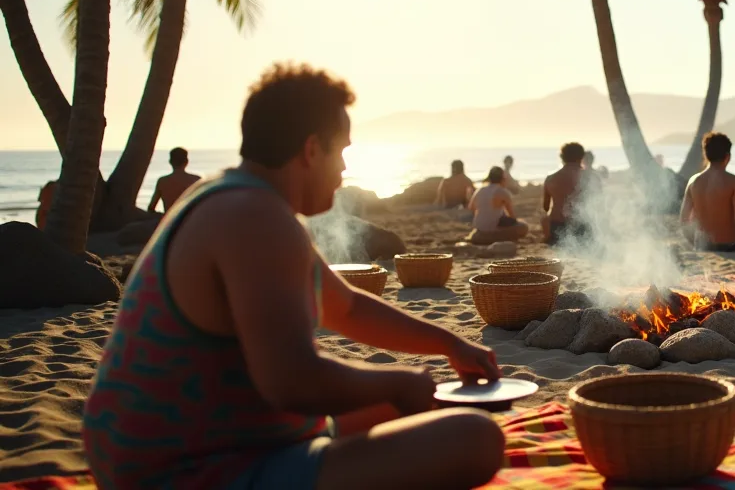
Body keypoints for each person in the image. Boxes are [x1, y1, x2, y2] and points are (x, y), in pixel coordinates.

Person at [81, 63, 505, 490]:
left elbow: (348, 307)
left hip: (205, 449)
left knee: (402, 409)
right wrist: (399, 382)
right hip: (189, 471)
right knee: (474, 437)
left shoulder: (231, 196)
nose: (344, 168)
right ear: (311, 149)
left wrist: (449, 344)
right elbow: (292, 382)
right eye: (342, 152)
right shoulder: (254, 217)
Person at [679, 133, 735, 252]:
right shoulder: (733, 181)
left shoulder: (693, 181)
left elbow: (683, 220)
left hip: (704, 245)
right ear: (728, 156)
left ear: (705, 155)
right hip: (730, 244)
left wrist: (694, 242)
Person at [542, 142, 597, 246]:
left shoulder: (550, 178)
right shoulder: (590, 177)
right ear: (582, 157)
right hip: (582, 226)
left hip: (557, 227)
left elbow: (545, 207)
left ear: (562, 157)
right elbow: (598, 203)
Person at [468, 167, 529, 245]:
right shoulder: (502, 192)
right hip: (492, 232)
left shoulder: (480, 190)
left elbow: (471, 208)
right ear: (502, 179)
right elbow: (512, 217)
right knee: (523, 226)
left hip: (478, 231)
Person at [148, 147, 203, 213]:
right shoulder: (196, 180)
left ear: (170, 162)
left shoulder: (162, 181)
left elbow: (151, 208)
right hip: (191, 218)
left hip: (172, 218)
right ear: (186, 162)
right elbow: (203, 205)